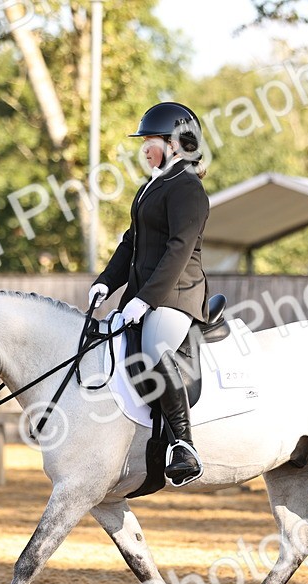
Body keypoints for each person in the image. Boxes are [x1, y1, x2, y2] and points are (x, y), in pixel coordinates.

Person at [88, 101, 210, 487]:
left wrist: (147, 299)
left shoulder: (188, 189)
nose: (144, 148)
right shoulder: (149, 188)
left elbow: (179, 248)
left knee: (155, 350)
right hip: (145, 295)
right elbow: (131, 243)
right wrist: (107, 281)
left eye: (151, 140)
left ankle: (184, 446)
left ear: (176, 144)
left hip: (177, 294)